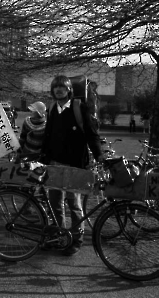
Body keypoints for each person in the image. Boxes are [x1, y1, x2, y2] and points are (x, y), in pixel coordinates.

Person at [41, 75, 104, 256]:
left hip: (75, 165)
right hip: (54, 164)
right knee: (55, 203)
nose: (59, 90)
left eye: (62, 87)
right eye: (56, 87)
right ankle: (59, 236)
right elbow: (48, 134)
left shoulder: (79, 108)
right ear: (52, 91)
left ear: (69, 90)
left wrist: (98, 154)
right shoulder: (53, 108)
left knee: (74, 203)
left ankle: (77, 239)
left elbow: (92, 134)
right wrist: (43, 156)